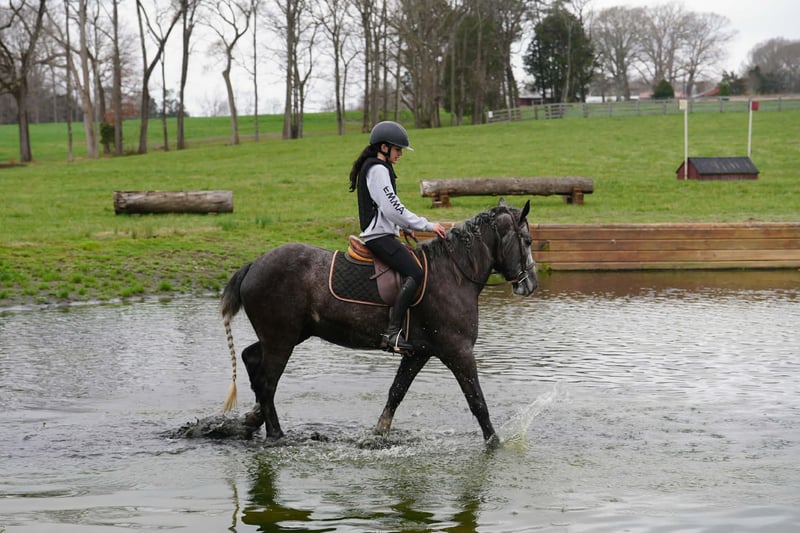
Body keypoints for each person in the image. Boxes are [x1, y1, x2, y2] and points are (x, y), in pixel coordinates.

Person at [349, 121, 447, 355]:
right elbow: (392, 208)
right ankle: (392, 333)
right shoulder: (378, 170)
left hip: (383, 233)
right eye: (398, 149)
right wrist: (427, 225)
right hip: (378, 237)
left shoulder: (378, 167)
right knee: (416, 273)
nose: (400, 154)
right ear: (384, 147)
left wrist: (403, 227)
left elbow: (385, 209)